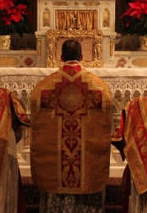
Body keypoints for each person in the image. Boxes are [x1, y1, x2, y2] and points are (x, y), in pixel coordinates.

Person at [30, 39, 114, 212]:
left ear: (60, 57)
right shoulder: (99, 88)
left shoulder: (43, 88)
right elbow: (103, 126)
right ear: (82, 56)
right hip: (87, 172)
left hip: (56, 172)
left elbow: (40, 127)